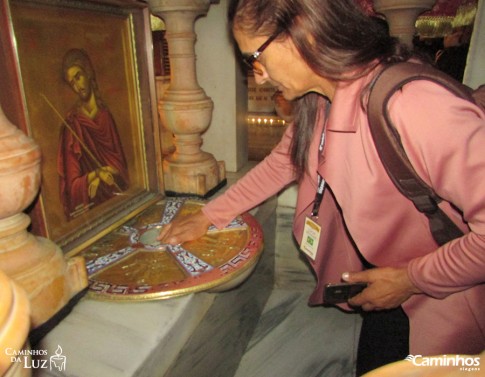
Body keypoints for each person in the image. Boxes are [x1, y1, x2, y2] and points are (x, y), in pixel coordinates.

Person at [158, 0, 485, 374]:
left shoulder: (413, 105)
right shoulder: (320, 99)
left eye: (255, 58)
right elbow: (283, 162)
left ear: (304, 31)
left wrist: (410, 280)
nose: (259, 76)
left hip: (447, 297)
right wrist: (209, 215)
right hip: (390, 284)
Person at [58, 48, 129, 220]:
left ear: (88, 73)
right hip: (92, 212)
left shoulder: (105, 116)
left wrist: (108, 173)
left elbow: (120, 168)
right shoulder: (72, 125)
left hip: (116, 204)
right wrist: (95, 175)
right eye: (71, 83)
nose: (77, 86)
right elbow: (72, 186)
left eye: (78, 76)